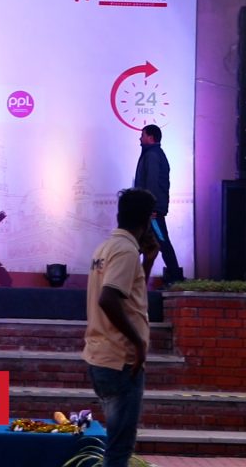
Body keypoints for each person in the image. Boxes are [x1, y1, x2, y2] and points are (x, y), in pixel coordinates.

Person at [83, 188, 158, 467]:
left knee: (116, 444)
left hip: (102, 355)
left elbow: (129, 297)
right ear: (147, 220)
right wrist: (138, 342)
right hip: (120, 360)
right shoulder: (125, 251)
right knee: (119, 449)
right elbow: (108, 299)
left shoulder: (107, 248)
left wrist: (148, 262)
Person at [133, 124, 183, 285]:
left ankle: (175, 278)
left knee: (162, 241)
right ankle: (134, 279)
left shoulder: (152, 155)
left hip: (152, 212)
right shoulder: (153, 154)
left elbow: (152, 182)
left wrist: (150, 207)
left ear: (151, 137)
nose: (140, 138)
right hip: (149, 210)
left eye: (143, 135)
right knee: (139, 244)